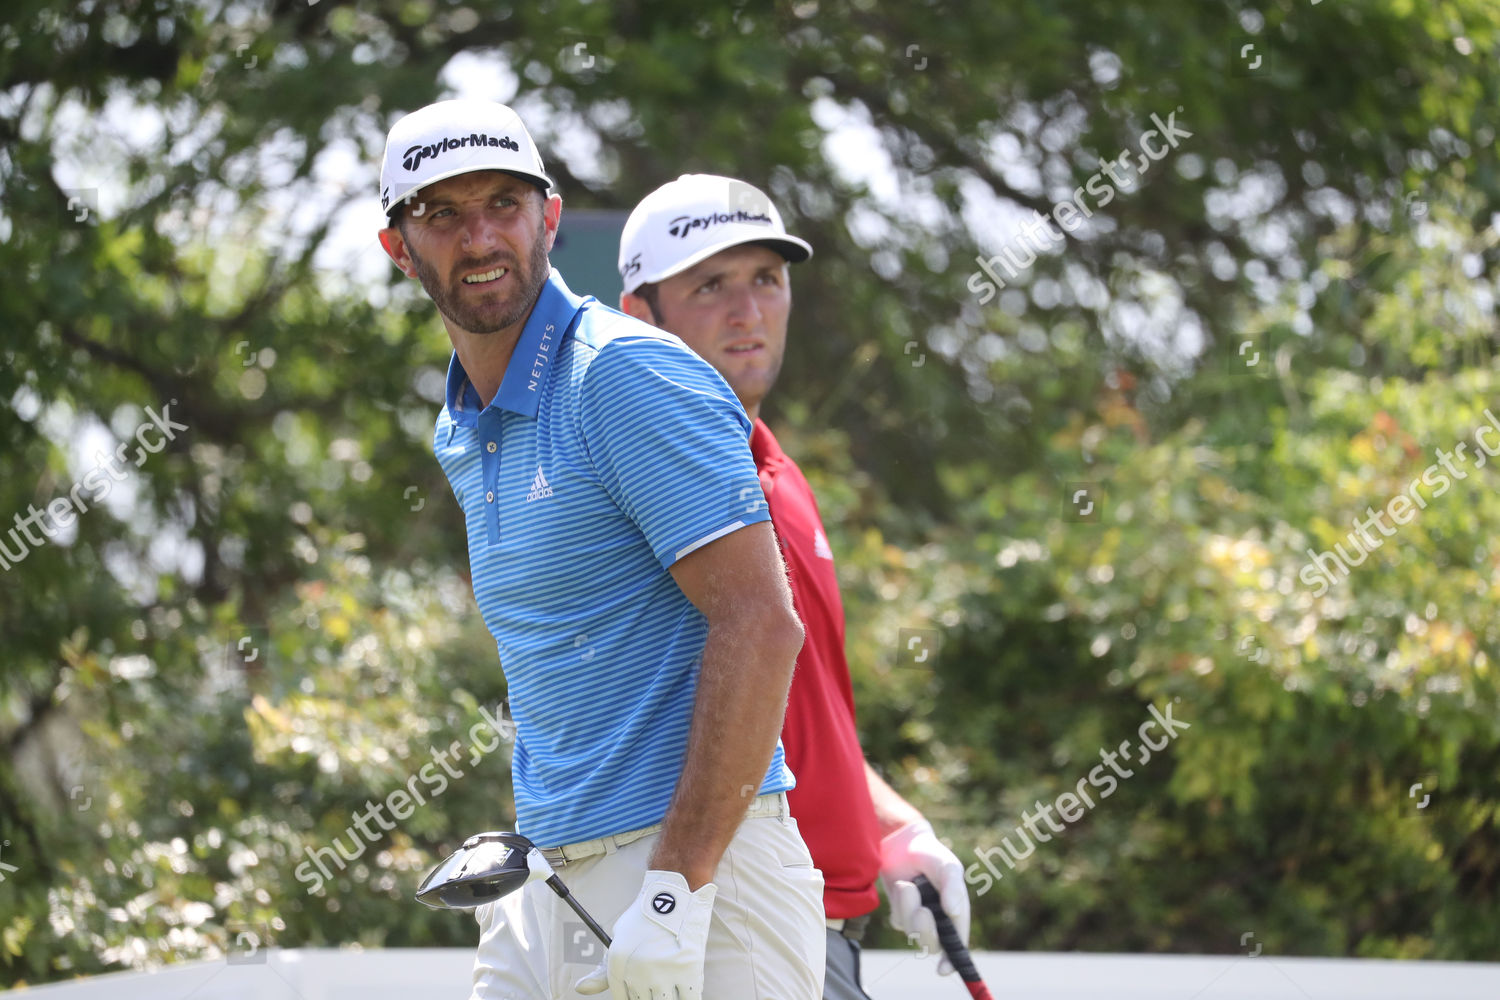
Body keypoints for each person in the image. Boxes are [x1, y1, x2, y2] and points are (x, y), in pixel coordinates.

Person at [377, 102, 825, 1000]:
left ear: (547, 218)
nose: (478, 238)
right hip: (550, 877)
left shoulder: (623, 374)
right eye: (442, 215)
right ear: (399, 248)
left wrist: (675, 889)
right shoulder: (460, 424)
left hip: (701, 882)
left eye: (503, 203)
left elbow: (761, 626)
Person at [618, 174, 973, 1000]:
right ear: (641, 316)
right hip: (737, 917)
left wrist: (892, 825)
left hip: (825, 921)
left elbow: (803, 706)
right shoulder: (651, 474)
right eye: (710, 285)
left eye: (766, 280)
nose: (747, 311)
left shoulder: (779, 472)